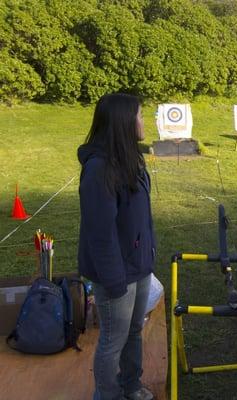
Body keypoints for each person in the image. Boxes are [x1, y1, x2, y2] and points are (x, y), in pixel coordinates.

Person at [78, 93, 156, 400]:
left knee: (134, 330)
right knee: (113, 340)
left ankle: (131, 386)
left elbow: (138, 217)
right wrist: (113, 281)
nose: (144, 121)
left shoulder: (131, 158)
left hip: (139, 266)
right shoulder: (99, 169)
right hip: (117, 274)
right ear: (124, 122)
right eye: (140, 115)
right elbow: (101, 234)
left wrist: (148, 253)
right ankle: (107, 395)